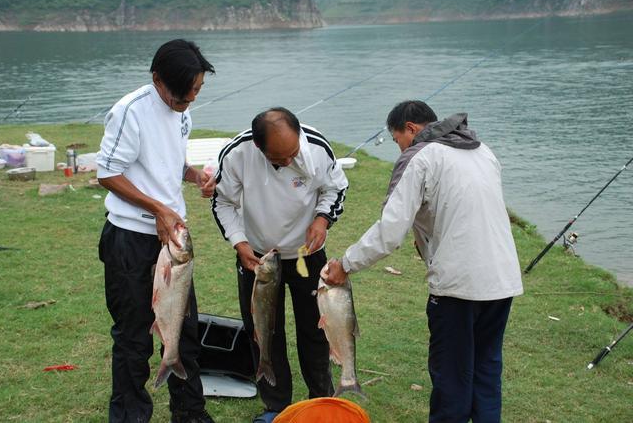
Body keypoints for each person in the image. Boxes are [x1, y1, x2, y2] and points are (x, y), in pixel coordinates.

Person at [324, 100, 523, 423]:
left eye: (396, 139)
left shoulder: (420, 157)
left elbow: (390, 231)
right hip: (502, 281)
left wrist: (345, 264)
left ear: (412, 129)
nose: (399, 147)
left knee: (451, 377)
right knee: (486, 370)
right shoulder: (482, 150)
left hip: (458, 287)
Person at [97, 39, 217, 423]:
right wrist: (157, 209)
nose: (191, 100)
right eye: (184, 95)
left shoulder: (182, 112)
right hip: (130, 240)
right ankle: (131, 417)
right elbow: (108, 173)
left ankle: (189, 413)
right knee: (134, 338)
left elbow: (169, 164)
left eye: (197, 91)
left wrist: (195, 174)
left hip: (173, 240)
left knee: (184, 330)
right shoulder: (130, 111)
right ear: (157, 81)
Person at [211, 107, 349, 423]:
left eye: (292, 154)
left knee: (315, 330)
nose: (288, 162)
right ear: (260, 148)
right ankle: (275, 405)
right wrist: (239, 243)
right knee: (263, 331)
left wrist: (322, 219)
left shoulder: (316, 147)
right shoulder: (237, 153)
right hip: (258, 258)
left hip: (306, 255)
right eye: (279, 159)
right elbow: (223, 202)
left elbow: (335, 189)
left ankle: (321, 400)